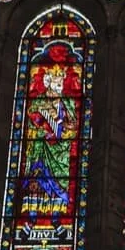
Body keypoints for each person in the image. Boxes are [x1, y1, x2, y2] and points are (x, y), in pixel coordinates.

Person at [21, 52, 79, 217]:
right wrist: (43, 131)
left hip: (60, 151)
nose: (59, 86)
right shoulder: (38, 102)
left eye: (61, 83)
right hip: (41, 149)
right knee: (37, 183)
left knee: (59, 184)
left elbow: (73, 124)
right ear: (48, 83)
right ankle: (31, 219)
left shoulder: (67, 102)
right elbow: (33, 121)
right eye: (56, 83)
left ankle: (56, 218)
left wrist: (64, 131)